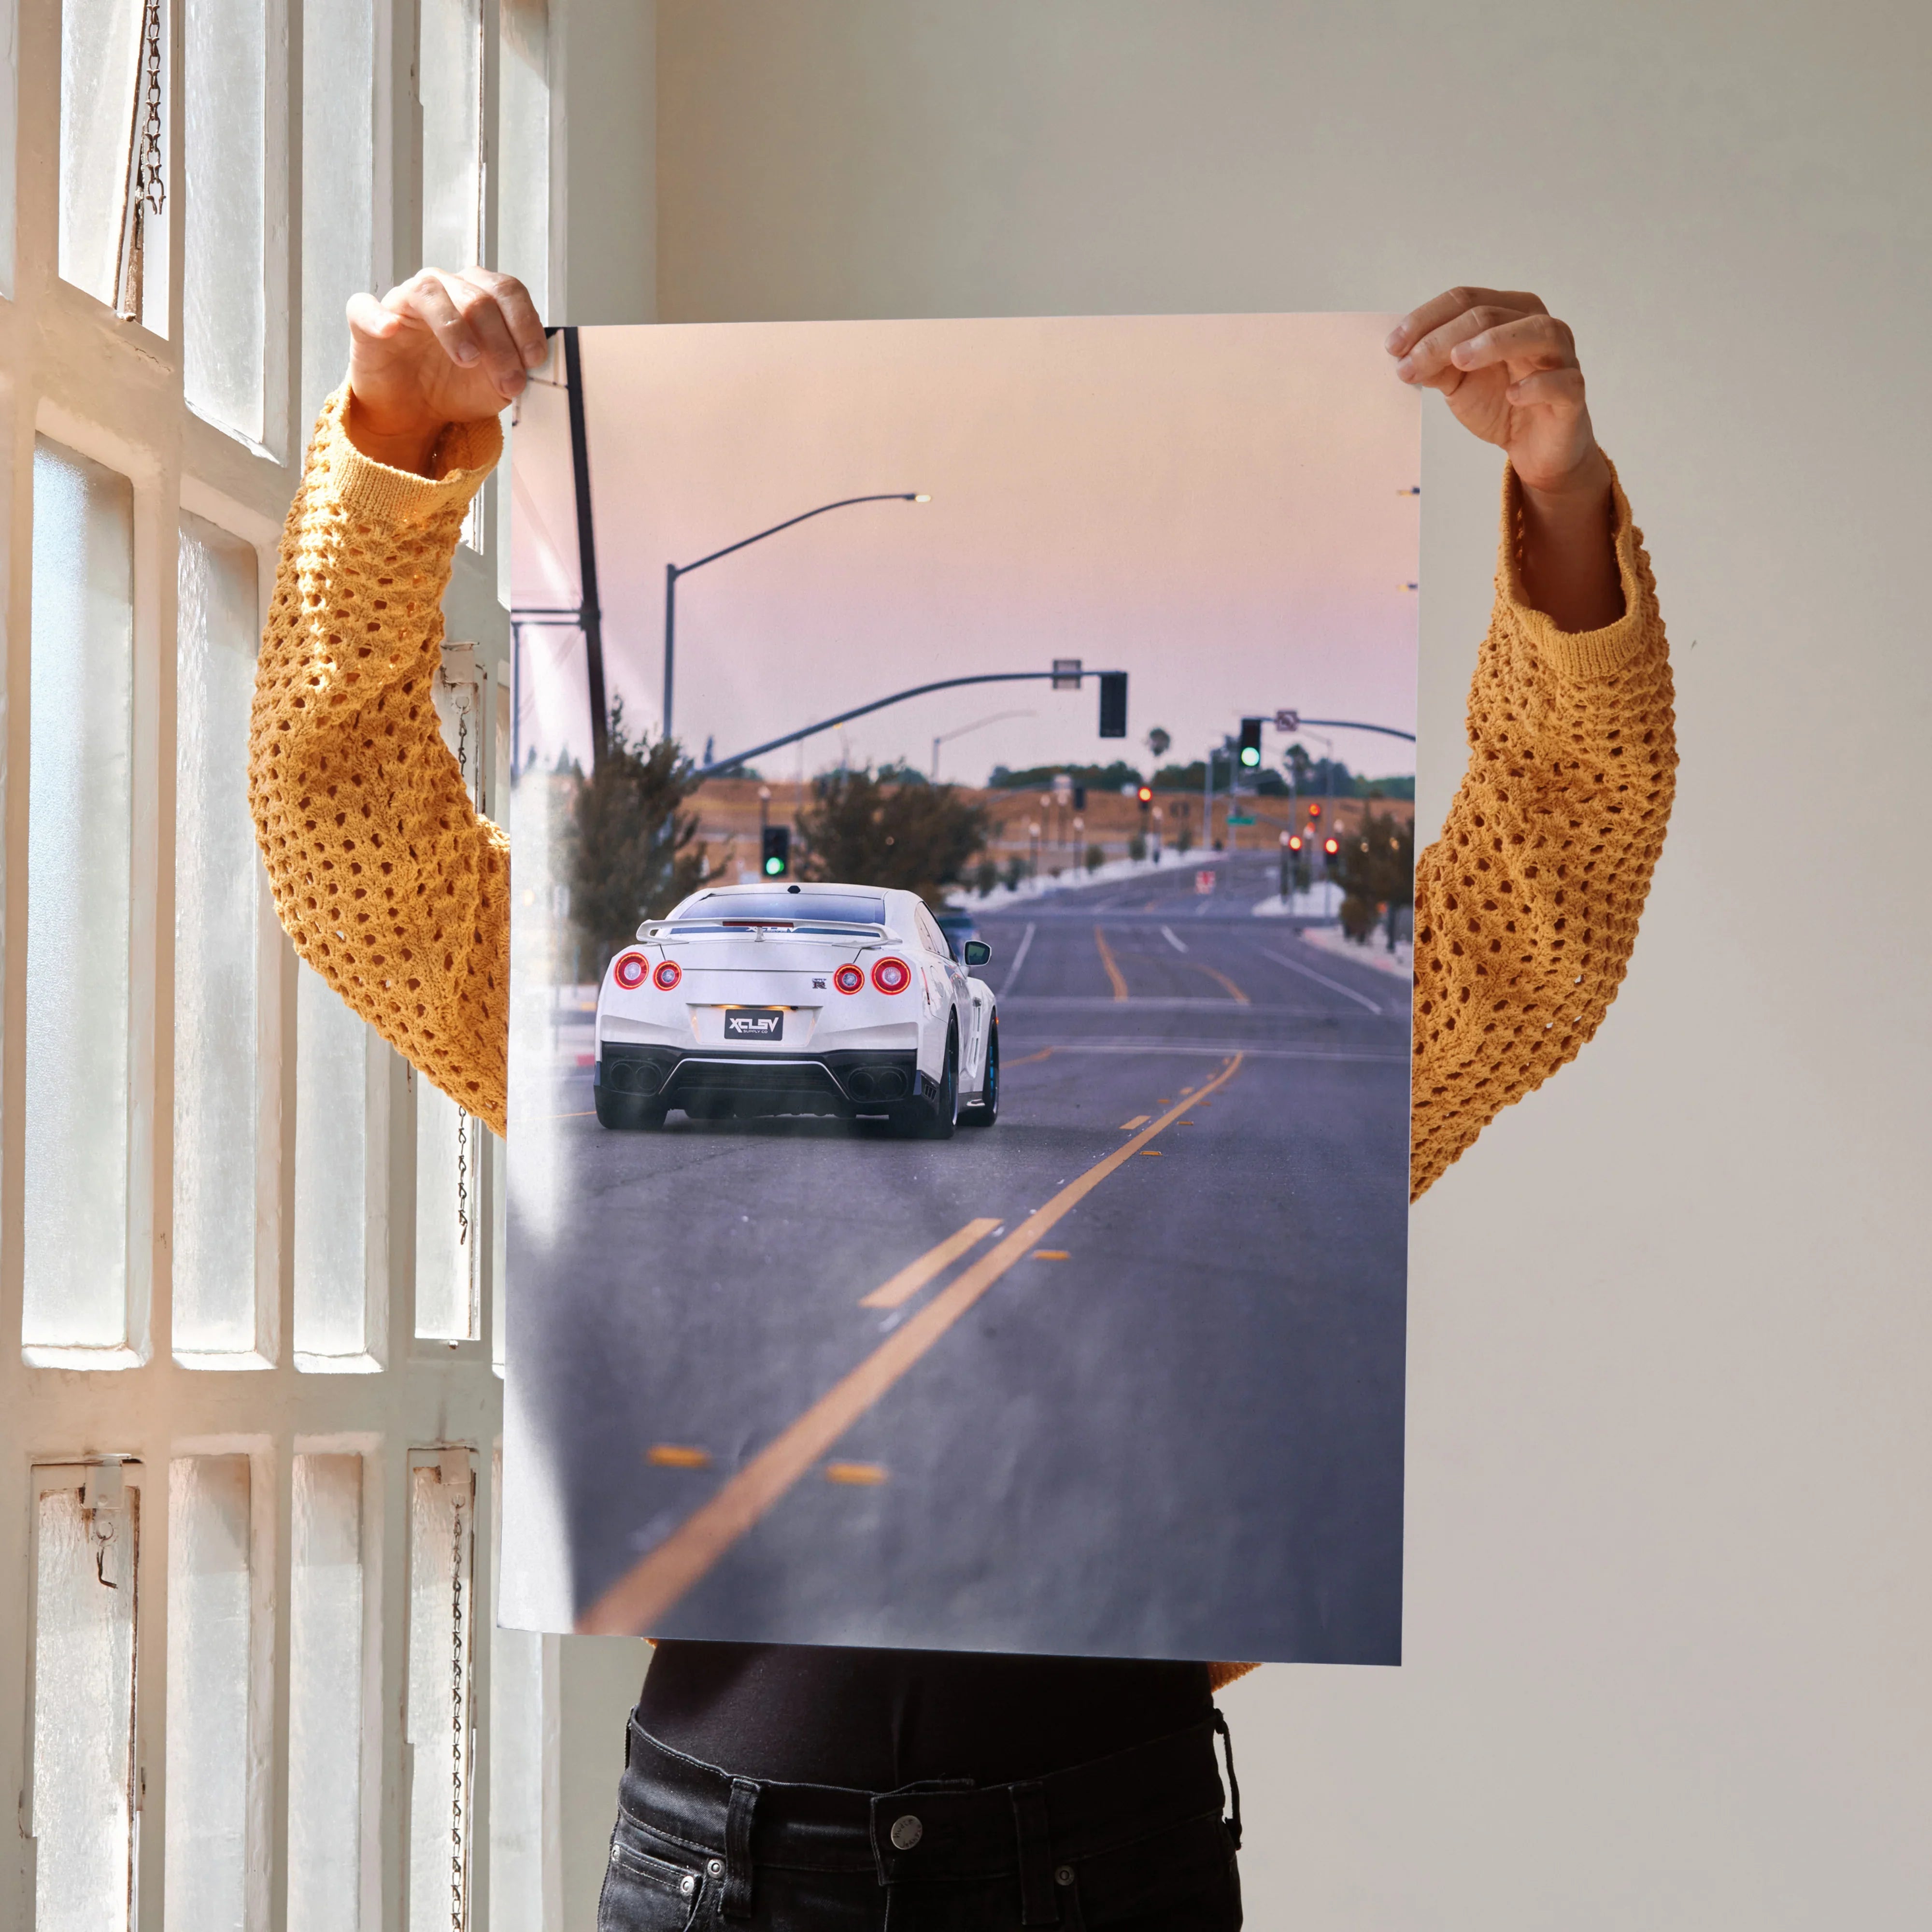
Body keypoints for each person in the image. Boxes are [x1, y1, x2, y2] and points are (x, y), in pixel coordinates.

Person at [250, 270, 1675, 1930]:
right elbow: (347, 836)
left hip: (1106, 1856)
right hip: (726, 1867)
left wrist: (1560, 498)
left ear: (939, 990)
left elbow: (1542, 914)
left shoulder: (1306, 1091)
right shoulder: (616, 1065)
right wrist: (393, 444)